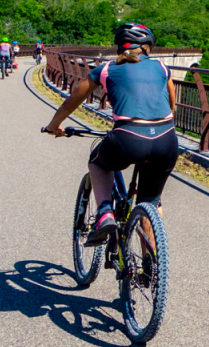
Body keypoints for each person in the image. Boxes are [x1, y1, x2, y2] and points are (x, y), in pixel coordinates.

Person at [42, 23, 179, 242]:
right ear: (146, 48)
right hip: (166, 139)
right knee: (151, 202)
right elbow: (171, 105)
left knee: (97, 162)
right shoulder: (162, 68)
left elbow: (74, 99)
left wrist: (54, 125)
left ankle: (105, 213)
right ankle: (150, 269)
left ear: (119, 47)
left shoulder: (105, 69)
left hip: (129, 138)